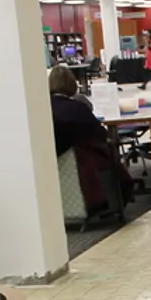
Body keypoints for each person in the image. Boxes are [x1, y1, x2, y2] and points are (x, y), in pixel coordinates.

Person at [48, 66, 133, 215]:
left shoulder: (45, 108)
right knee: (108, 150)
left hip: (57, 157)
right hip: (84, 158)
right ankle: (121, 195)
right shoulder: (78, 108)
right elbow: (100, 134)